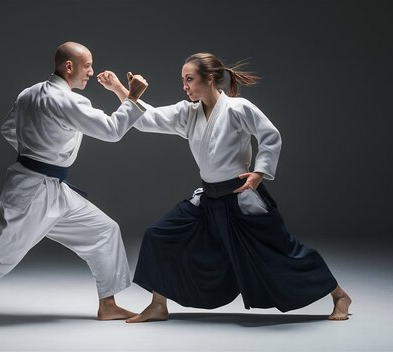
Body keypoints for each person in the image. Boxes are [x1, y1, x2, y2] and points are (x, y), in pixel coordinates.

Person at [96, 53, 352, 323]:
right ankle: (159, 304)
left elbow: (269, 135)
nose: (185, 85)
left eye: (190, 79)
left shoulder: (237, 108)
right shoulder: (189, 112)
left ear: (209, 79)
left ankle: (339, 295)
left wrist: (260, 173)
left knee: (282, 254)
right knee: (160, 236)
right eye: (183, 80)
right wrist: (120, 90)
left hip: (241, 198)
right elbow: (149, 118)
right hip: (207, 200)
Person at [0, 42, 149, 323]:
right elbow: (112, 130)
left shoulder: (29, 93)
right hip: (33, 193)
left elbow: (8, 129)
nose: (91, 72)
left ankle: (108, 304)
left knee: (104, 230)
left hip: (48, 188)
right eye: (87, 66)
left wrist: (34, 151)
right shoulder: (69, 101)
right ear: (69, 66)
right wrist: (132, 97)